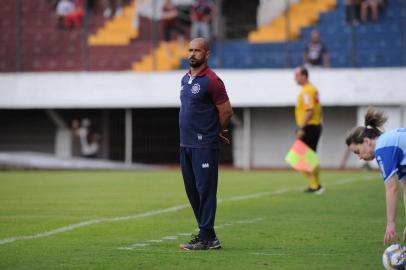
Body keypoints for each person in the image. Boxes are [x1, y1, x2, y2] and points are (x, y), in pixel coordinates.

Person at [178, 37, 233, 250]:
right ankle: (208, 236)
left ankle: (206, 237)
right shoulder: (185, 79)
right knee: (192, 191)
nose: (192, 54)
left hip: (204, 145)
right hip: (186, 144)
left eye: (197, 51)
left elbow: (226, 111)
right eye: (190, 50)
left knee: (206, 191)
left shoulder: (213, 80)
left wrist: (218, 130)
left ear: (207, 54)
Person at [345, 108, 406, 244]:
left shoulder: (382, 148)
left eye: (357, 152)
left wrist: (390, 223)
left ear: (367, 141)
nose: (360, 157)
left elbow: (392, 189)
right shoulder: (392, 144)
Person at [294, 66, 324, 194]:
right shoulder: (313, 89)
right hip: (314, 126)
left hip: (309, 127)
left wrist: (301, 127)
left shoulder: (307, 91)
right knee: (310, 157)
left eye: (296, 75)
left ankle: (315, 186)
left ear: (304, 76)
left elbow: (309, 110)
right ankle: (316, 185)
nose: (294, 78)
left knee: (296, 158)